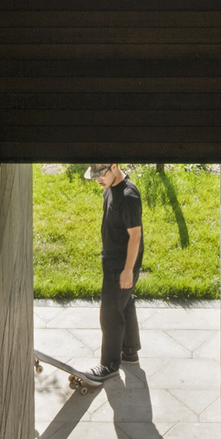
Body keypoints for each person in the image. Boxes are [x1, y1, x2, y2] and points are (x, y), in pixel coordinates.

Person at [78, 163, 143, 387]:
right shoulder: (110, 187)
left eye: (100, 175)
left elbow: (135, 237)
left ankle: (109, 365)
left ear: (114, 167)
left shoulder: (128, 197)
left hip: (121, 265)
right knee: (124, 304)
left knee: (110, 313)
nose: (98, 180)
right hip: (113, 260)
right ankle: (129, 352)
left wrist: (127, 270)